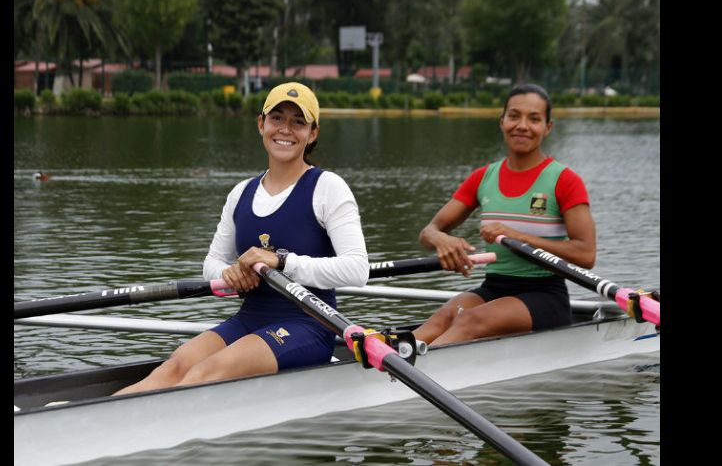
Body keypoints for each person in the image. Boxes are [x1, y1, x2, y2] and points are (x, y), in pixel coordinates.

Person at [115, 82, 369, 395]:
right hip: (250, 318)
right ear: (261, 124)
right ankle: (89, 427)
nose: (285, 130)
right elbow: (211, 262)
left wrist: (281, 262)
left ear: (312, 133)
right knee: (176, 365)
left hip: (309, 325)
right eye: (277, 118)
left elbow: (358, 269)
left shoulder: (328, 187)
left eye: (298, 122)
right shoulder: (240, 193)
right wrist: (229, 274)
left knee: (207, 371)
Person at [413, 84, 596, 347]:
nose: (522, 125)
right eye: (514, 116)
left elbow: (586, 255)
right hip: (494, 288)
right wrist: (441, 239)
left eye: (534, 119)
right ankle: (386, 364)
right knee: (442, 318)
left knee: (468, 320)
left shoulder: (564, 180)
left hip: (545, 295)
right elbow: (428, 231)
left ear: (548, 127)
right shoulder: (483, 177)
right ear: (502, 122)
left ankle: (402, 379)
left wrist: (517, 236)